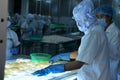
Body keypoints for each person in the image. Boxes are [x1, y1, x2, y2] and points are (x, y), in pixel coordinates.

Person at [32, 0, 110, 80]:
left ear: (84, 19)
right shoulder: (97, 30)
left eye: (78, 20)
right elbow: (84, 53)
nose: (77, 23)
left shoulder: (92, 35)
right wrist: (64, 56)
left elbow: (79, 63)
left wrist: (53, 69)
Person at [95, 5, 120, 80]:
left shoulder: (115, 32)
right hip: (102, 67)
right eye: (97, 17)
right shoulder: (102, 29)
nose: (99, 19)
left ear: (109, 17)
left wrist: (97, 49)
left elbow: (115, 53)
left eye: (102, 16)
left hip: (111, 67)